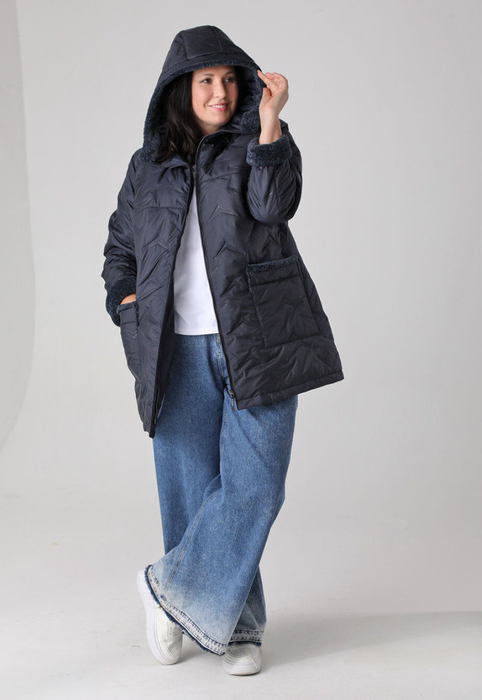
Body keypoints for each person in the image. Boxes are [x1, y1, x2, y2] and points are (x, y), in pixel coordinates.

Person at [102, 25, 343, 675]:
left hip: (259, 340)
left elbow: (274, 205)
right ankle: (235, 626)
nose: (220, 92)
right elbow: (120, 249)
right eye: (206, 80)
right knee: (189, 492)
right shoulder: (147, 166)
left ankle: (167, 591)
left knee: (254, 487)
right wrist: (127, 305)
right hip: (173, 349)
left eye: (229, 79)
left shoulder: (262, 143)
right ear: (179, 90)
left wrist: (269, 123)